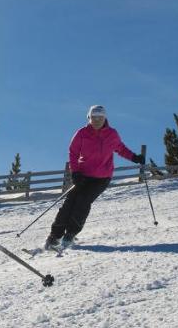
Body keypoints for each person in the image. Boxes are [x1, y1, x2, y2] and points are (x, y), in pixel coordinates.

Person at [44, 105, 142, 251]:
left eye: (100, 118)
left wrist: (134, 157)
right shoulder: (82, 133)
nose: (97, 120)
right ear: (88, 118)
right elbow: (73, 153)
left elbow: (120, 149)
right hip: (82, 175)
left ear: (105, 118)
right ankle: (54, 236)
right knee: (69, 203)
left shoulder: (112, 134)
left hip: (102, 177)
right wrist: (75, 172)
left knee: (83, 202)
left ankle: (70, 234)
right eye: (93, 118)